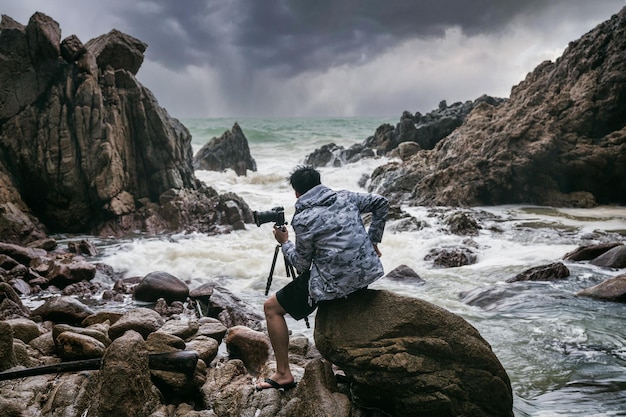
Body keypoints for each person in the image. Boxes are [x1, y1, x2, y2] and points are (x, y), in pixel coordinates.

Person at [256, 165, 389, 391]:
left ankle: (283, 374)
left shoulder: (304, 218)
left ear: (296, 193)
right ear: (319, 183)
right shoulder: (347, 197)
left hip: (335, 282)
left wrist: (284, 242)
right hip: (366, 271)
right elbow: (381, 202)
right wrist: (373, 241)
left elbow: (301, 264)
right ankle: (334, 362)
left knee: (271, 308)